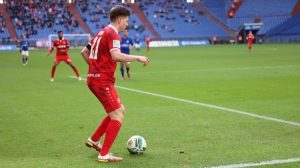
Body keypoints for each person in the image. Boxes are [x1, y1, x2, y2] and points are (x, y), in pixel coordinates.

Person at [80, 5, 149, 163]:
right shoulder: (113, 34)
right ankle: (104, 154)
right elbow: (116, 56)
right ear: (119, 19)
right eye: (126, 21)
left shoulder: (101, 32)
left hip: (95, 78)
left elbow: (84, 52)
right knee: (117, 115)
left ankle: (95, 139)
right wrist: (137, 58)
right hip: (102, 80)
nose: (127, 24)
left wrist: (93, 70)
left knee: (119, 110)